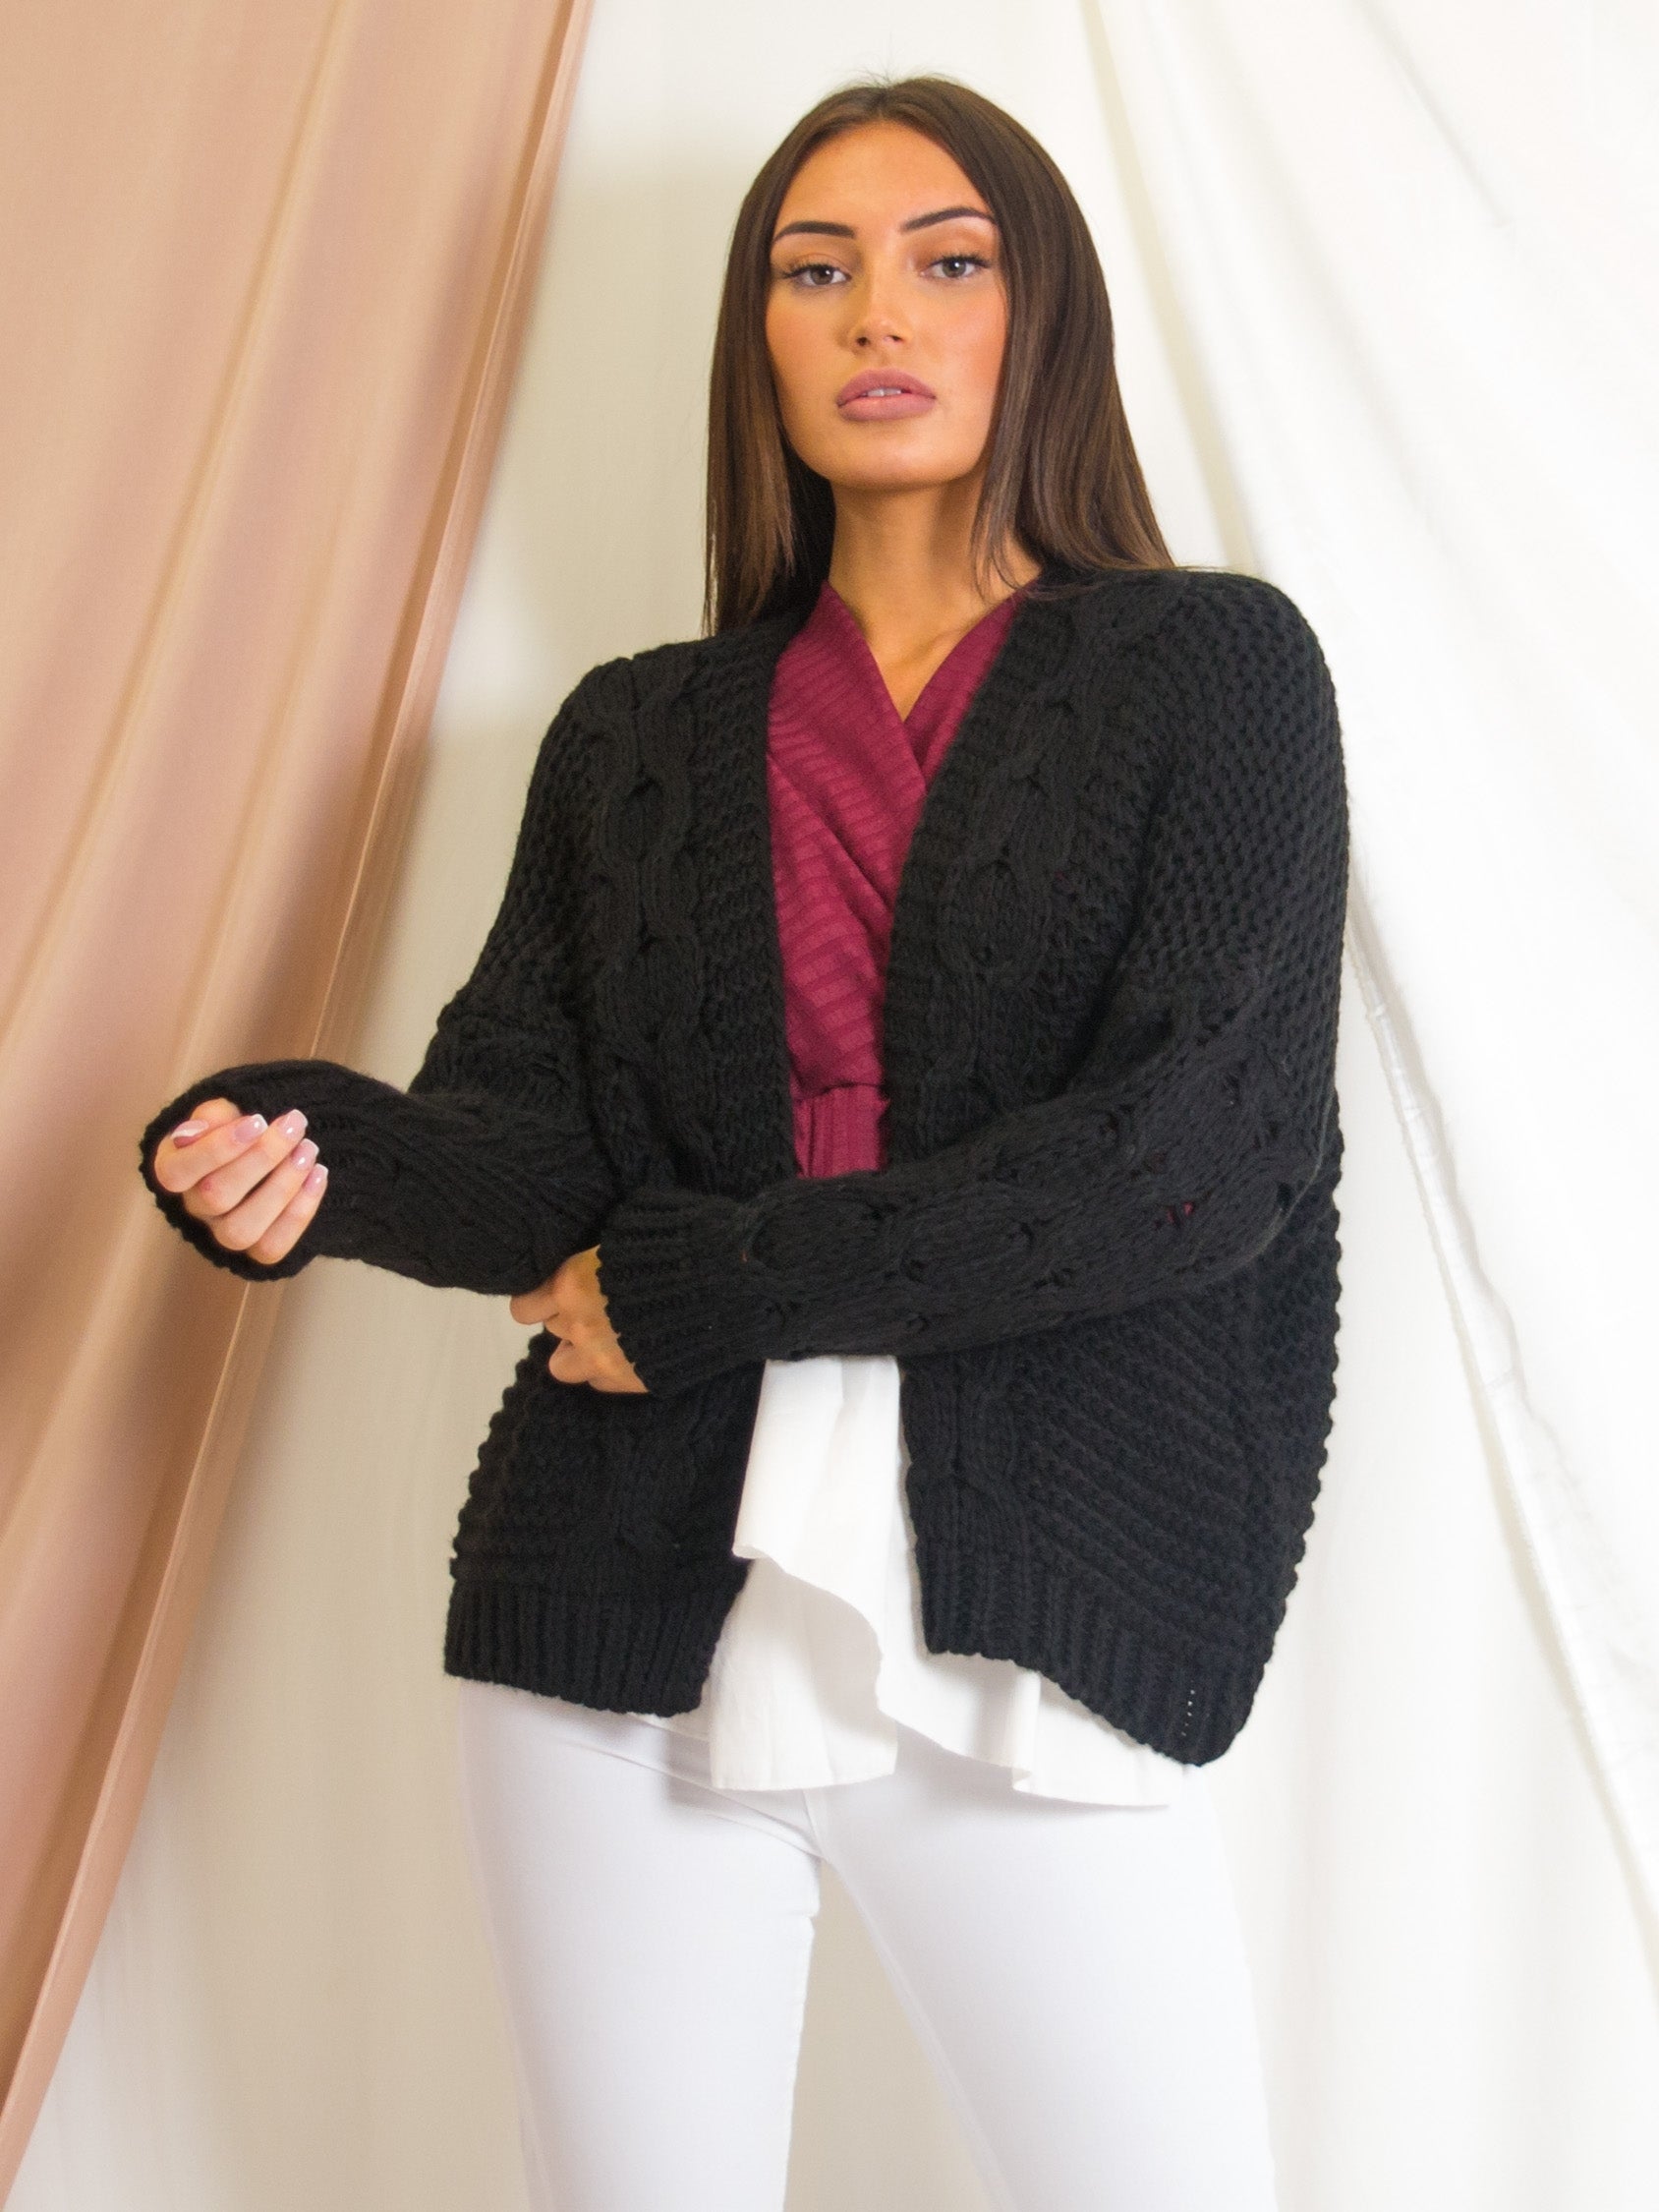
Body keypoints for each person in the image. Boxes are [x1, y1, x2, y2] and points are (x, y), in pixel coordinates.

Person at [140, 74, 1348, 2212]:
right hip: (616, 1624)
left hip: (1030, 1630)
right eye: (815, 270)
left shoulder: (1211, 671)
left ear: (1043, 314)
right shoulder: (638, 733)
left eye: (947, 259)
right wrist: (313, 1154)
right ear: (759, 339)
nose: (877, 311)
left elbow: (1195, 1159)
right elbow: (524, 1146)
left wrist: (706, 1285)